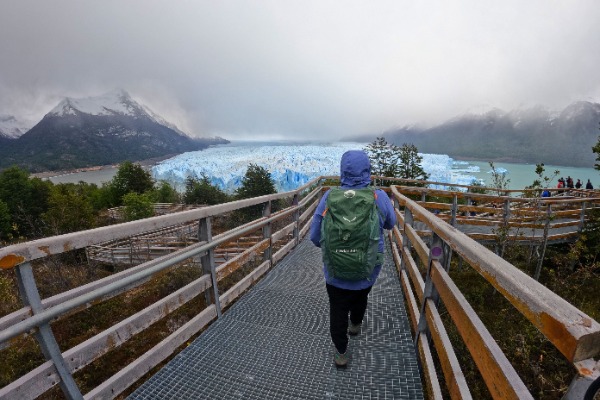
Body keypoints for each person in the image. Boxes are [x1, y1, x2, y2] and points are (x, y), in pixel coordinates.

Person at [310, 150, 396, 368]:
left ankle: (341, 352)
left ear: (343, 171)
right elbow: (391, 224)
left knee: (337, 308)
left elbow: (314, 236)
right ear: (367, 170)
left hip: (335, 272)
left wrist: (333, 247)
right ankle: (356, 324)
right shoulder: (379, 197)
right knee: (361, 295)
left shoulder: (330, 196)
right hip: (367, 270)